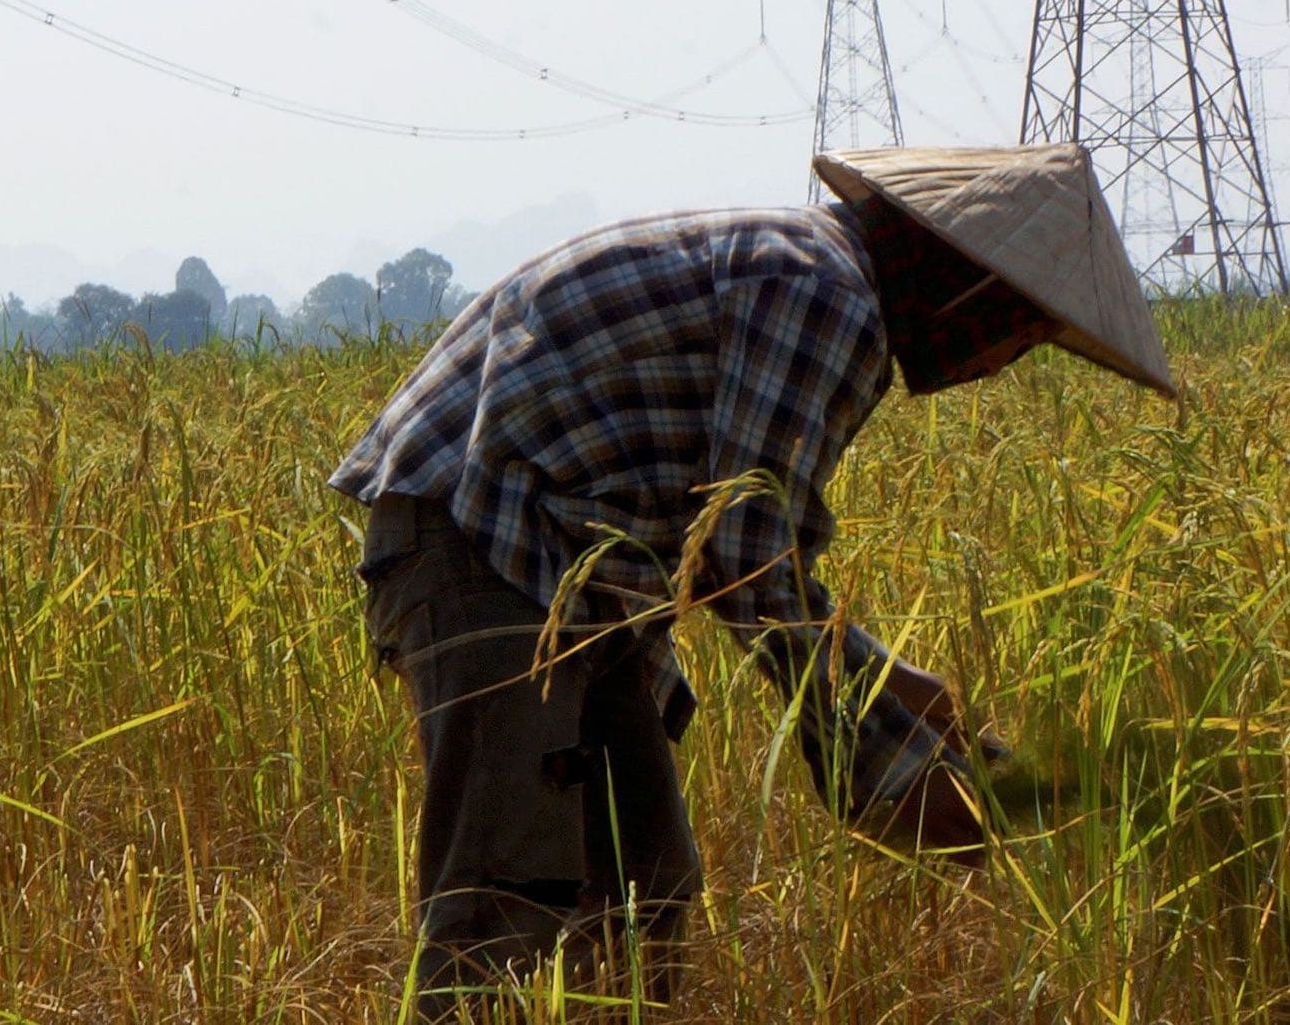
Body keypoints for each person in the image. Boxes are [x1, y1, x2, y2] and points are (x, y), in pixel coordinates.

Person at [332, 144, 1177, 1011]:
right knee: (505, 898)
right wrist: (887, 770)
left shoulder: (816, 273)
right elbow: (745, 556)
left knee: (642, 885)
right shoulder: (824, 291)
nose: (995, 364)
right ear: (965, 285)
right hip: (485, 539)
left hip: (571, 570)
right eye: (1018, 333)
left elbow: (740, 543)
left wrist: (889, 685)